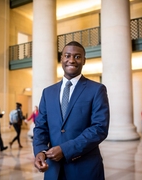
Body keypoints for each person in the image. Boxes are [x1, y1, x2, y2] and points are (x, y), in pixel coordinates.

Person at [33, 41, 110, 180]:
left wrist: (65, 149)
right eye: (67, 55)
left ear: (84, 60)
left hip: (85, 169)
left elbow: (99, 128)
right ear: (61, 58)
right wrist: (40, 151)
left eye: (77, 56)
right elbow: (40, 127)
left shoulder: (97, 90)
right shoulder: (47, 92)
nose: (71, 60)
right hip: (53, 169)